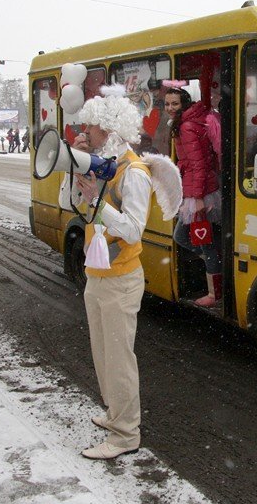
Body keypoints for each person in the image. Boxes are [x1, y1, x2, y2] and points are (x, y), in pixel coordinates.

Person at [58, 88, 181, 461]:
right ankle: (115, 414)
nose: (85, 131)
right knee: (102, 354)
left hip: (121, 279)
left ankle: (126, 434)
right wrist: (75, 169)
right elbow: (71, 203)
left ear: (110, 129)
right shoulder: (100, 164)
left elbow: (132, 230)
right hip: (98, 275)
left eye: (91, 127)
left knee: (119, 358)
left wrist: (96, 200)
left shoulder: (135, 173)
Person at [165, 83, 222, 307]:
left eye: (175, 103)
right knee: (208, 241)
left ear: (184, 104)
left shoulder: (186, 127)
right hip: (201, 187)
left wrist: (197, 198)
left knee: (189, 239)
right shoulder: (191, 121)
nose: (170, 108)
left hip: (199, 192)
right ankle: (216, 266)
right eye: (167, 104)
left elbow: (198, 164)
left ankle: (214, 291)